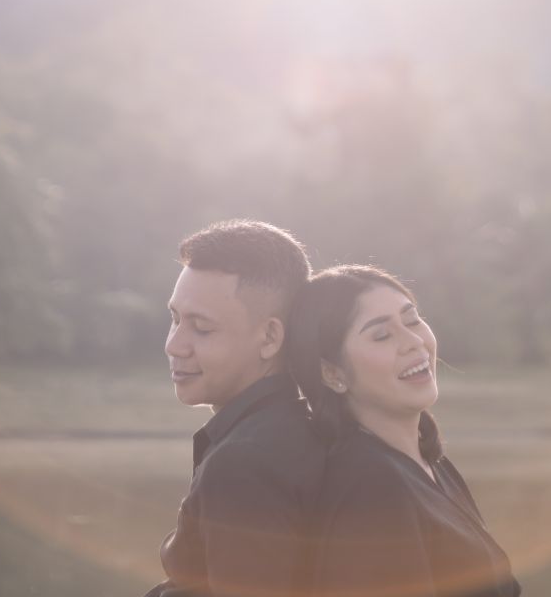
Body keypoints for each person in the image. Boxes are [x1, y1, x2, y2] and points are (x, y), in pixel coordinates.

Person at [287, 264, 521, 597]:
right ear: (332, 373)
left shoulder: (430, 464)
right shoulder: (370, 489)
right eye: (382, 335)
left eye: (412, 320)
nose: (413, 342)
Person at [144, 219, 324, 597]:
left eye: (202, 328)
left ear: (270, 337)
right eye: (175, 319)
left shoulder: (245, 462)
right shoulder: (300, 429)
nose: (174, 345)